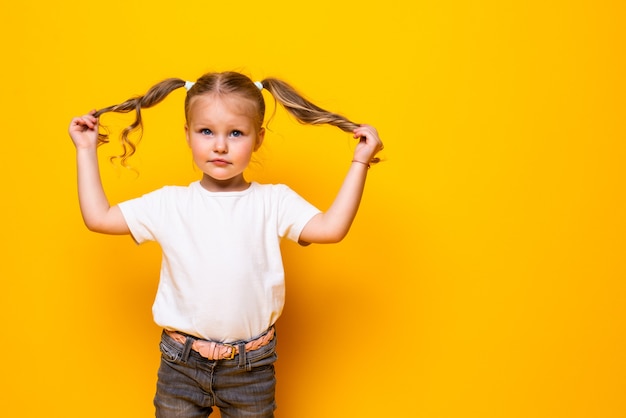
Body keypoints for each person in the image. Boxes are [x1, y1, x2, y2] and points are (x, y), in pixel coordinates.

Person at [68, 71, 383, 418]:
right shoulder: (170, 204)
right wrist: (86, 150)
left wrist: (360, 162)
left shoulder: (273, 202)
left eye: (235, 133)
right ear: (187, 135)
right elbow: (98, 217)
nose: (220, 145)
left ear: (258, 138)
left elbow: (332, 228)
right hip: (180, 365)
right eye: (207, 132)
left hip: (252, 366)